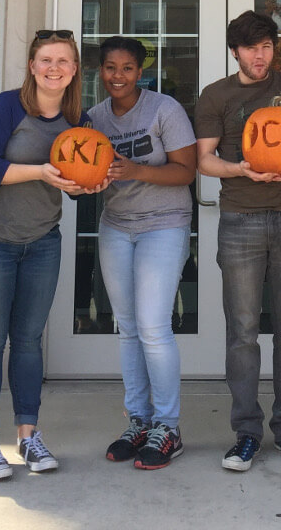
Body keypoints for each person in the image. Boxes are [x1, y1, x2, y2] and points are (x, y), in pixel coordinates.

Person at [0, 29, 104, 481]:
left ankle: (28, 435)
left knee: (28, 339)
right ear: (32, 66)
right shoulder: (6, 107)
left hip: (43, 240)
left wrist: (91, 185)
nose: (54, 68)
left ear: (74, 70)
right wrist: (40, 171)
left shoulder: (79, 120)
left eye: (63, 61)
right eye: (46, 60)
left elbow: (79, 185)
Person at [195, 10, 281, 472]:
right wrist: (240, 168)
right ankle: (246, 434)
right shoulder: (217, 96)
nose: (260, 55)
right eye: (251, 48)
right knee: (243, 333)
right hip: (240, 220)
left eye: (267, 46)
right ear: (235, 51)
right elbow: (204, 160)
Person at [88, 37, 197, 470]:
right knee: (128, 327)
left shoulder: (163, 109)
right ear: (101, 71)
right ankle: (139, 420)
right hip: (116, 226)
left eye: (127, 68)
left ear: (140, 71)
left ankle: (168, 427)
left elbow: (186, 172)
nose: (118, 76)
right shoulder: (93, 119)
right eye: (111, 67)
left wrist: (136, 170)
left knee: (154, 327)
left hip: (163, 224)